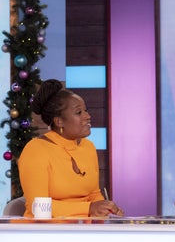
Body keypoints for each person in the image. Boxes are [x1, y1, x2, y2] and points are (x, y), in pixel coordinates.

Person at [19, 79, 123, 218]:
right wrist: (88, 209)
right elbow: (38, 207)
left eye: (86, 110)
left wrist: (106, 210)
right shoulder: (36, 150)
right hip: (45, 231)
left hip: (83, 230)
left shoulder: (88, 147)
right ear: (59, 121)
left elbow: (94, 194)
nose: (87, 116)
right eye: (79, 112)